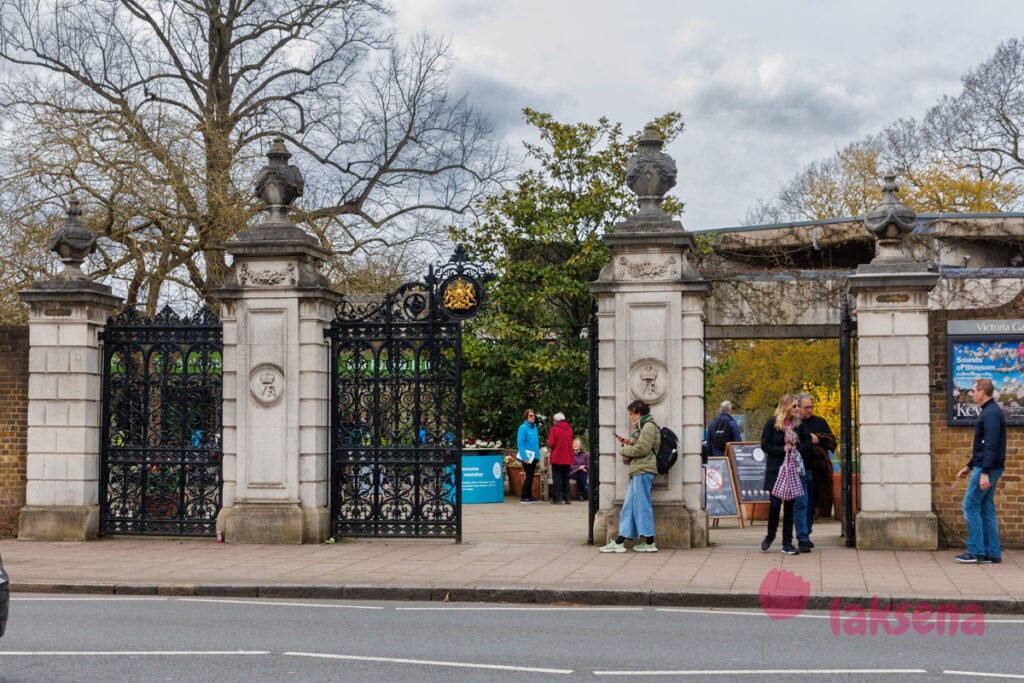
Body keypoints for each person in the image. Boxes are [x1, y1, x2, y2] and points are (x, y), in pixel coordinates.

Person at [955, 378, 1007, 564]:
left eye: (974, 390)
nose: (972, 393)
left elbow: (991, 445)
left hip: (988, 468)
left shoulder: (991, 414)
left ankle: (976, 551)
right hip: (988, 466)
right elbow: (983, 447)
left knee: (969, 505)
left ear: (982, 391)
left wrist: (984, 471)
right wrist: (969, 466)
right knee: (986, 508)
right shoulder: (989, 411)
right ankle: (992, 553)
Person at [600, 399, 660, 553]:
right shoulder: (643, 427)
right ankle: (621, 541)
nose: (631, 417)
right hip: (639, 470)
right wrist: (628, 443)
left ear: (640, 412)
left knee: (642, 506)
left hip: (643, 470)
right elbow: (640, 447)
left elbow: (642, 449)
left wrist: (624, 449)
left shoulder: (648, 426)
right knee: (629, 506)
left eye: (632, 414)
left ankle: (649, 542)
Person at [760, 393, 812, 555]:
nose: (797, 409)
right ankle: (770, 535)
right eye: (794, 406)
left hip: (792, 470)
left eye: (798, 406)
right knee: (775, 504)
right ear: (786, 407)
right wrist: (781, 450)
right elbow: (765, 445)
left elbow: (807, 443)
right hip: (776, 469)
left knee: (790, 506)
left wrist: (797, 448)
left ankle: (787, 543)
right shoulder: (772, 423)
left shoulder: (799, 425)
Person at [793, 392, 837, 553]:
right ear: (798, 407)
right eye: (806, 407)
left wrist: (818, 439)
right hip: (796, 470)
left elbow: (832, 441)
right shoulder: (791, 423)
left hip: (815, 469)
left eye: (811, 407)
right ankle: (802, 537)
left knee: (811, 505)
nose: (809, 410)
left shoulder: (819, 422)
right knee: (801, 504)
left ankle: (806, 533)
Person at [547, 413, 574, 504]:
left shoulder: (554, 429)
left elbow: (551, 444)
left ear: (555, 421)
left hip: (557, 458)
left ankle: (557, 499)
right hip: (567, 458)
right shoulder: (569, 430)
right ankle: (567, 498)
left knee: (557, 478)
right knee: (566, 478)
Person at [517, 408, 541, 504]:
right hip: (527, 457)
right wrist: (524, 457)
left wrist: (538, 457)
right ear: (526, 417)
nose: (533, 417)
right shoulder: (523, 428)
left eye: (534, 415)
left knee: (531, 476)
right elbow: (520, 443)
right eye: (530, 415)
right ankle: (524, 497)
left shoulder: (534, 428)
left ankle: (529, 497)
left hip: (534, 456)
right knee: (529, 475)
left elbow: (535, 444)